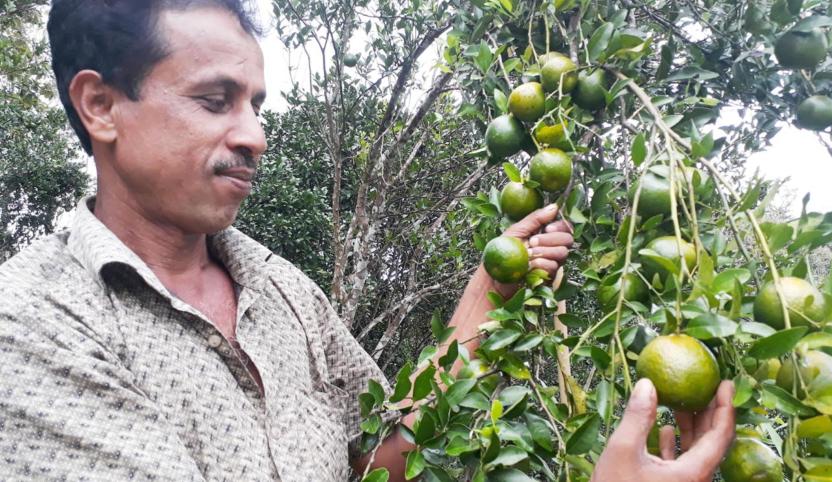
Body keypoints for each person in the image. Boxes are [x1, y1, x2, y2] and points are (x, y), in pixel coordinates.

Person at [0, 1, 734, 481]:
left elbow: (381, 454)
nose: (255, 135)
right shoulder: (34, 325)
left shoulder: (282, 291)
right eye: (214, 100)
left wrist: (490, 289)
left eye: (255, 105)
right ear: (101, 105)